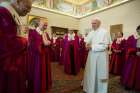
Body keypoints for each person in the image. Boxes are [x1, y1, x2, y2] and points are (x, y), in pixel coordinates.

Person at [0, 0, 32, 93]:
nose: (29, 11)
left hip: (15, 64)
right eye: (27, 7)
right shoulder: (3, 12)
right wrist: (25, 41)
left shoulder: (11, 13)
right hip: (7, 67)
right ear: (18, 1)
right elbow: (6, 42)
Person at [82, 18, 111, 93]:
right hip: (91, 56)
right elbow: (87, 42)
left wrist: (92, 46)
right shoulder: (91, 32)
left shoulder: (104, 32)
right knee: (91, 72)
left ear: (99, 23)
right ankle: (90, 88)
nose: (92, 25)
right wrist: (87, 45)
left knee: (99, 73)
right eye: (92, 23)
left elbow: (105, 46)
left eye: (94, 23)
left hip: (100, 57)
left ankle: (100, 90)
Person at [121, 25, 140, 91]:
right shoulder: (131, 37)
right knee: (130, 71)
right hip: (133, 58)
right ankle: (128, 84)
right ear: (137, 30)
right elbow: (127, 47)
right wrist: (134, 51)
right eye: (139, 30)